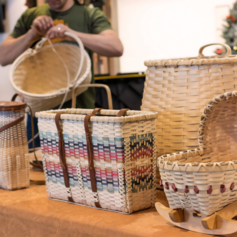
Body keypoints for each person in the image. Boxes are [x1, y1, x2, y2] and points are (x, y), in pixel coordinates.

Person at [0, 0, 123, 148]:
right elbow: (3, 57)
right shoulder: (31, 16)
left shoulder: (89, 14)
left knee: (83, 166)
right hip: (39, 116)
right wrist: (32, 34)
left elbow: (116, 47)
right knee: (37, 167)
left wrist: (72, 34)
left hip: (79, 114)